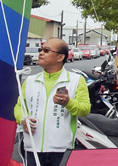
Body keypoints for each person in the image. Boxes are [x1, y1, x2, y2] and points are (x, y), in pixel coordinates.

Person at [14, 38, 91, 166]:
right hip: (32, 148)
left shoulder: (76, 80)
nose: (40, 53)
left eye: (46, 50)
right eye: (41, 49)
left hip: (61, 149)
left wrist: (68, 103)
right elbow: (19, 106)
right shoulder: (30, 81)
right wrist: (22, 119)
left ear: (60, 57)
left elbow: (85, 109)